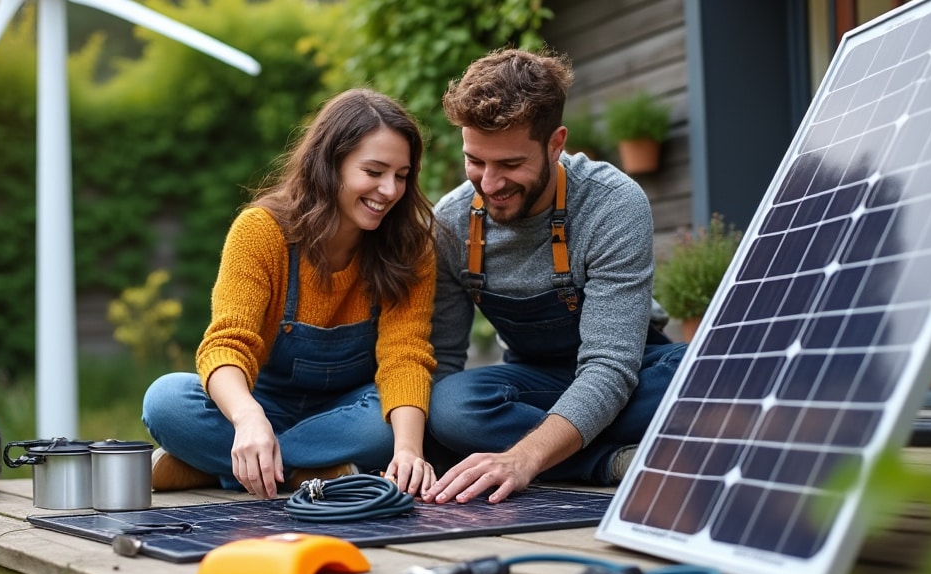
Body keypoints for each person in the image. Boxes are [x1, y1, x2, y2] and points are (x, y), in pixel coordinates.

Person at [142, 88, 439, 500]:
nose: (390, 190)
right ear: (330, 164)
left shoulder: (410, 247)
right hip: (262, 403)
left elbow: (404, 355)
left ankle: (222, 468)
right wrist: (248, 419)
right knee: (166, 400)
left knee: (394, 423)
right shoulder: (261, 232)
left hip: (348, 413)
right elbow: (227, 344)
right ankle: (309, 472)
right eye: (374, 172)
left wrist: (408, 453)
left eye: (402, 176)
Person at [422, 48, 687, 505]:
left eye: (509, 164)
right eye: (475, 161)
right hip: (534, 382)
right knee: (450, 406)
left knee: (702, 377)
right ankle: (609, 461)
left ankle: (543, 453)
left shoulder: (612, 204)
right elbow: (443, 359)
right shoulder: (451, 221)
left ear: (555, 143)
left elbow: (610, 366)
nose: (488, 184)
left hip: (629, 370)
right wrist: (432, 443)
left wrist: (522, 457)